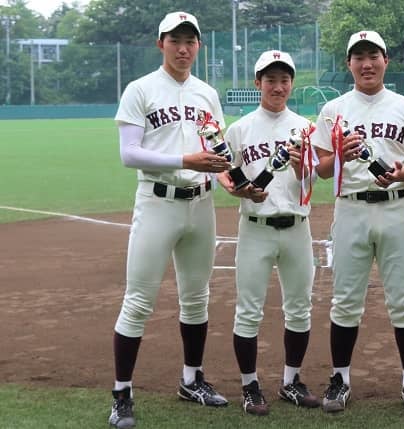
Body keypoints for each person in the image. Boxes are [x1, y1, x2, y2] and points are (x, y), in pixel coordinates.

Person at [109, 11, 229, 429]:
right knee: (138, 301)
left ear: (198, 46)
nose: (183, 48)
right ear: (160, 43)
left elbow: (218, 148)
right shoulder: (140, 89)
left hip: (201, 203)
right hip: (157, 202)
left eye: (190, 41)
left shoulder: (207, 94)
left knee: (196, 298)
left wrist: (231, 176)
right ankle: (122, 394)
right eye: (175, 40)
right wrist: (185, 160)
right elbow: (129, 154)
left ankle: (192, 380)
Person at [310, 30, 404, 414]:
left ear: (385, 60)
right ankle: (340, 379)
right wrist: (340, 157)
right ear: (349, 64)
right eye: (358, 57)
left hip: (396, 209)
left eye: (373, 56)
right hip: (351, 209)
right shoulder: (333, 110)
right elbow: (321, 170)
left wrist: (400, 174)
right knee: (345, 301)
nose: (366, 64)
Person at [217, 50, 320, 416]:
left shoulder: (306, 128)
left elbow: (312, 180)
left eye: (284, 80)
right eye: (271, 80)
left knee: (300, 309)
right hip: (256, 228)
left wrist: (303, 167)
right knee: (248, 311)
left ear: (292, 83)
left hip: (296, 228)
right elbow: (226, 173)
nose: (278, 86)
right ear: (257, 82)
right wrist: (240, 190)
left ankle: (291, 381)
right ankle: (250, 386)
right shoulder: (240, 129)